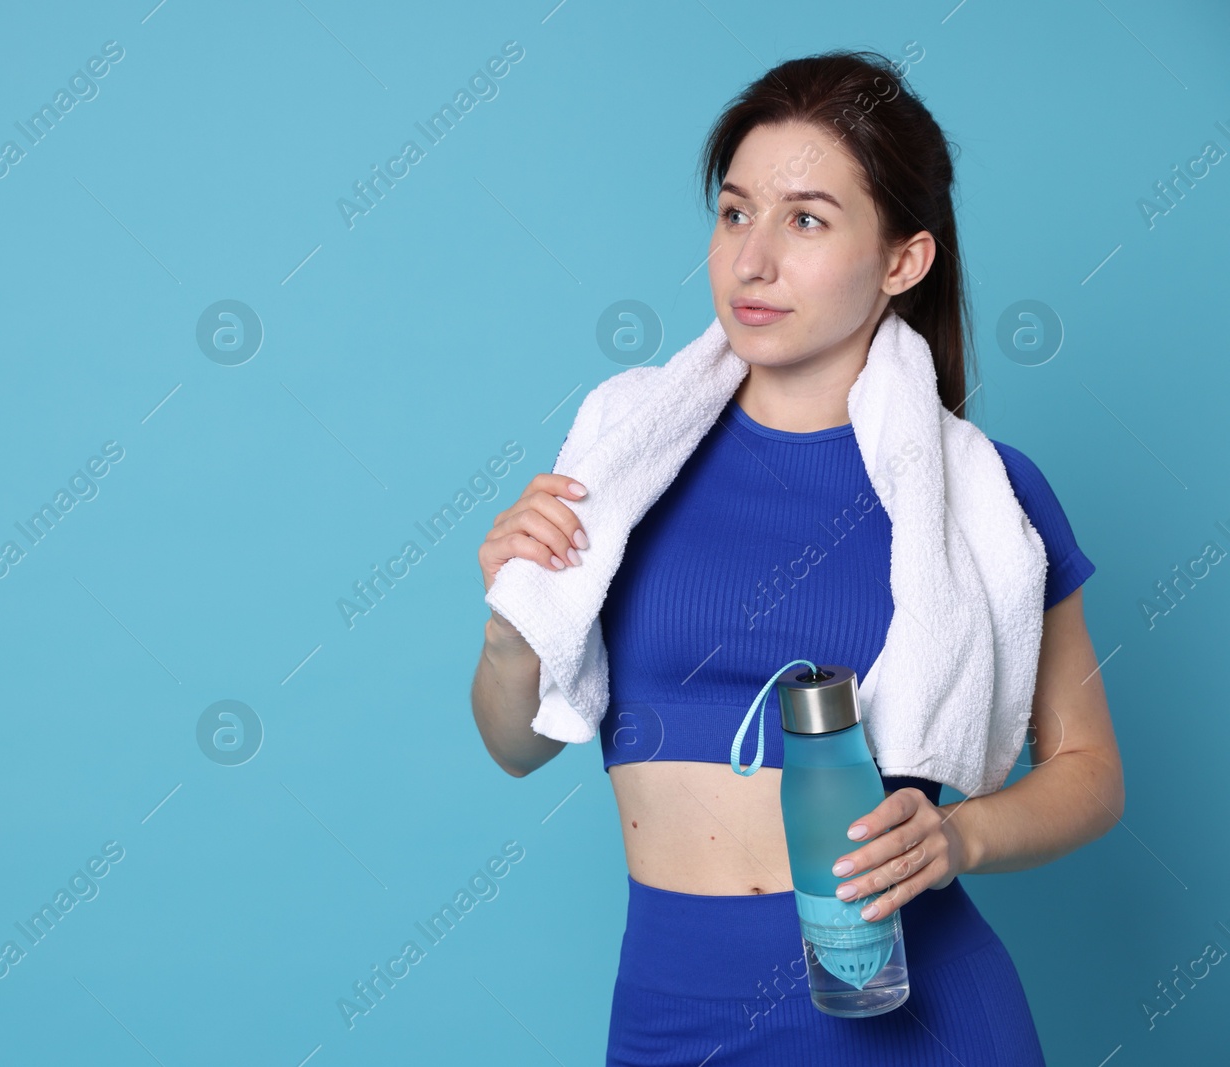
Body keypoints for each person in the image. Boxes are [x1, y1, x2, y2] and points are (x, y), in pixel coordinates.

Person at [470, 50, 1124, 1064]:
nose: (750, 260)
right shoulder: (620, 457)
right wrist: (516, 630)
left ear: (903, 260)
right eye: (734, 213)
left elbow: (1088, 771)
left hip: (906, 1007)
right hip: (668, 1009)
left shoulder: (982, 495)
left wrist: (961, 838)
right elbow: (517, 744)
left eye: (805, 220)